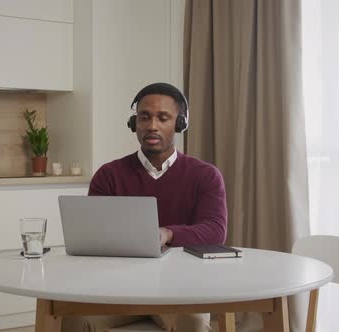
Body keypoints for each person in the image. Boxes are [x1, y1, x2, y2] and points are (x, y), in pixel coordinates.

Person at [62, 82, 228, 332]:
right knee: (74, 319)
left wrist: (167, 233)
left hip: (181, 292)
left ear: (180, 123)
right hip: (118, 289)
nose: (152, 126)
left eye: (163, 118)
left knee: (192, 324)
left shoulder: (205, 175)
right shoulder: (109, 175)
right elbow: (92, 236)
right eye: (144, 117)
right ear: (133, 123)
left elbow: (215, 230)